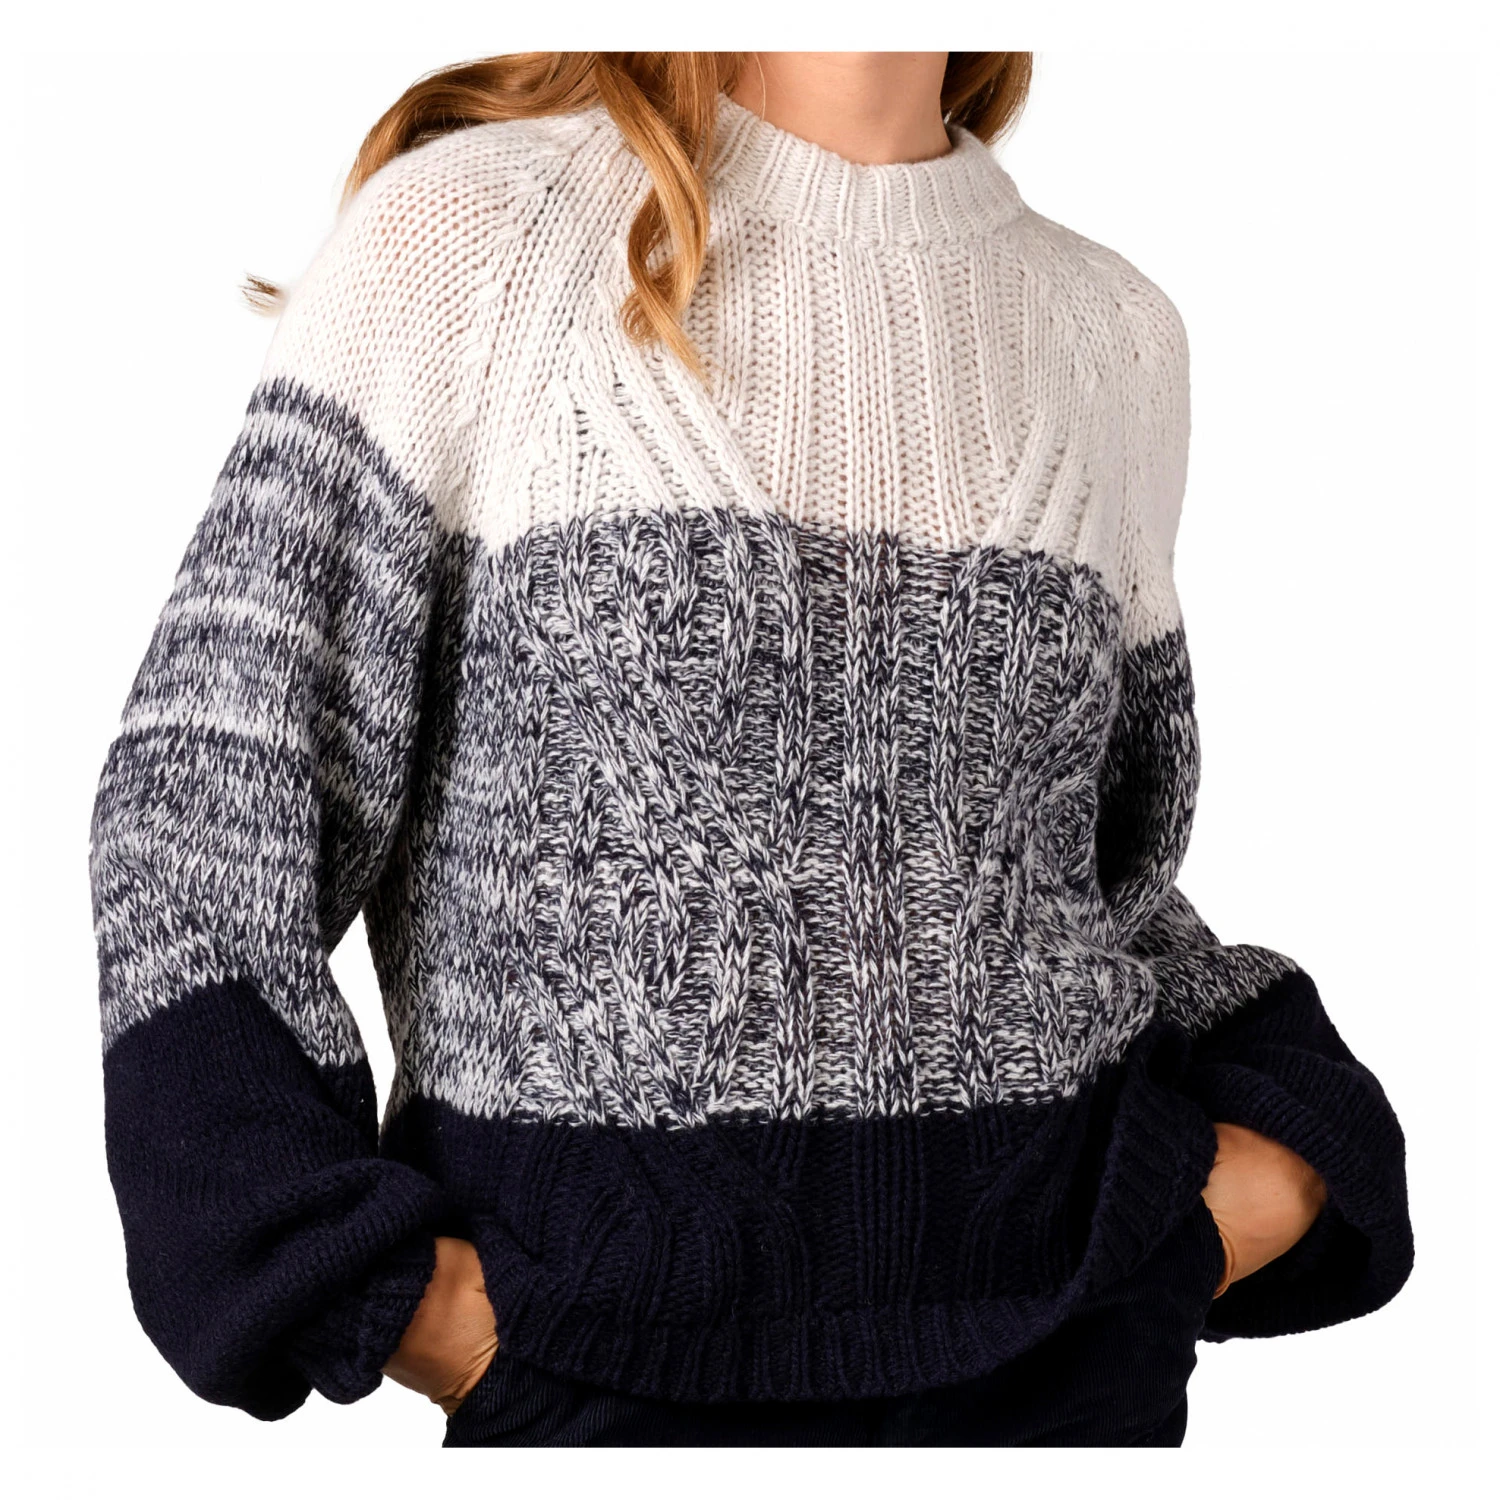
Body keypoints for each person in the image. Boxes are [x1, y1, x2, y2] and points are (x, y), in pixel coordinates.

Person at [88, 51, 1413, 1447]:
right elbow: (203, 813)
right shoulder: (470, 240)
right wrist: (384, 1298)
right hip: (614, 1392)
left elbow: (1090, 874)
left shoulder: (1114, 335)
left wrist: (1254, 1188)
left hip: (1070, 1385)